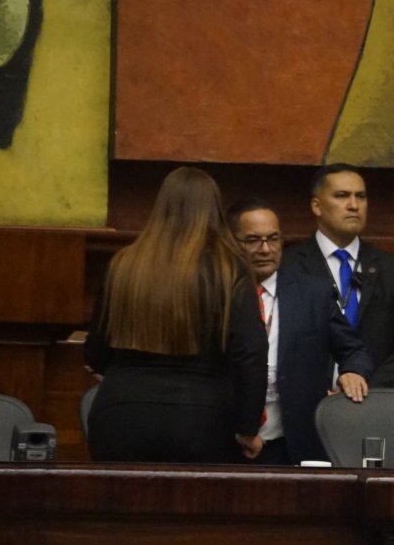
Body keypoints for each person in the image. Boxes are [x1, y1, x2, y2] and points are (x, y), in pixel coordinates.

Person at [84, 167, 267, 463]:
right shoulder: (230, 269)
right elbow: (250, 353)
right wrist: (247, 428)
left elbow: (96, 349)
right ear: (214, 210)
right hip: (204, 417)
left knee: (121, 508)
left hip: (120, 412)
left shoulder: (124, 264)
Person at [227, 198, 375, 465]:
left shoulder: (313, 293)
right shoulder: (218, 295)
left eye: (273, 239)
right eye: (253, 240)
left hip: (292, 445)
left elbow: (353, 349)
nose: (265, 249)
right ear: (231, 242)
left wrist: (353, 370)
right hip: (226, 441)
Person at [281, 163, 394, 387]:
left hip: (374, 404)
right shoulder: (288, 266)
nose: (354, 205)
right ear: (316, 206)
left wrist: (364, 390)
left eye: (361, 196)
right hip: (307, 402)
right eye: (342, 196)